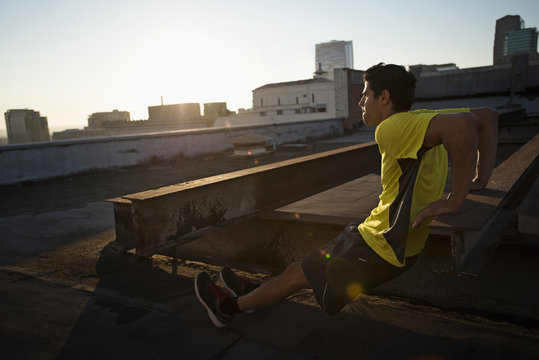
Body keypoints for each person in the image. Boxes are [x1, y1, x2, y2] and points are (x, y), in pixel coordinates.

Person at [194, 63, 499, 328]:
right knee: (296, 272)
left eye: (366, 93)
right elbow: (487, 116)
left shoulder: (391, 127)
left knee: (295, 275)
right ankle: (251, 293)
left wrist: (455, 199)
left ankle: (226, 309)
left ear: (384, 97)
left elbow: (464, 126)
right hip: (376, 238)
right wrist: (480, 178)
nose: (361, 99)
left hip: (382, 247)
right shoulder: (422, 118)